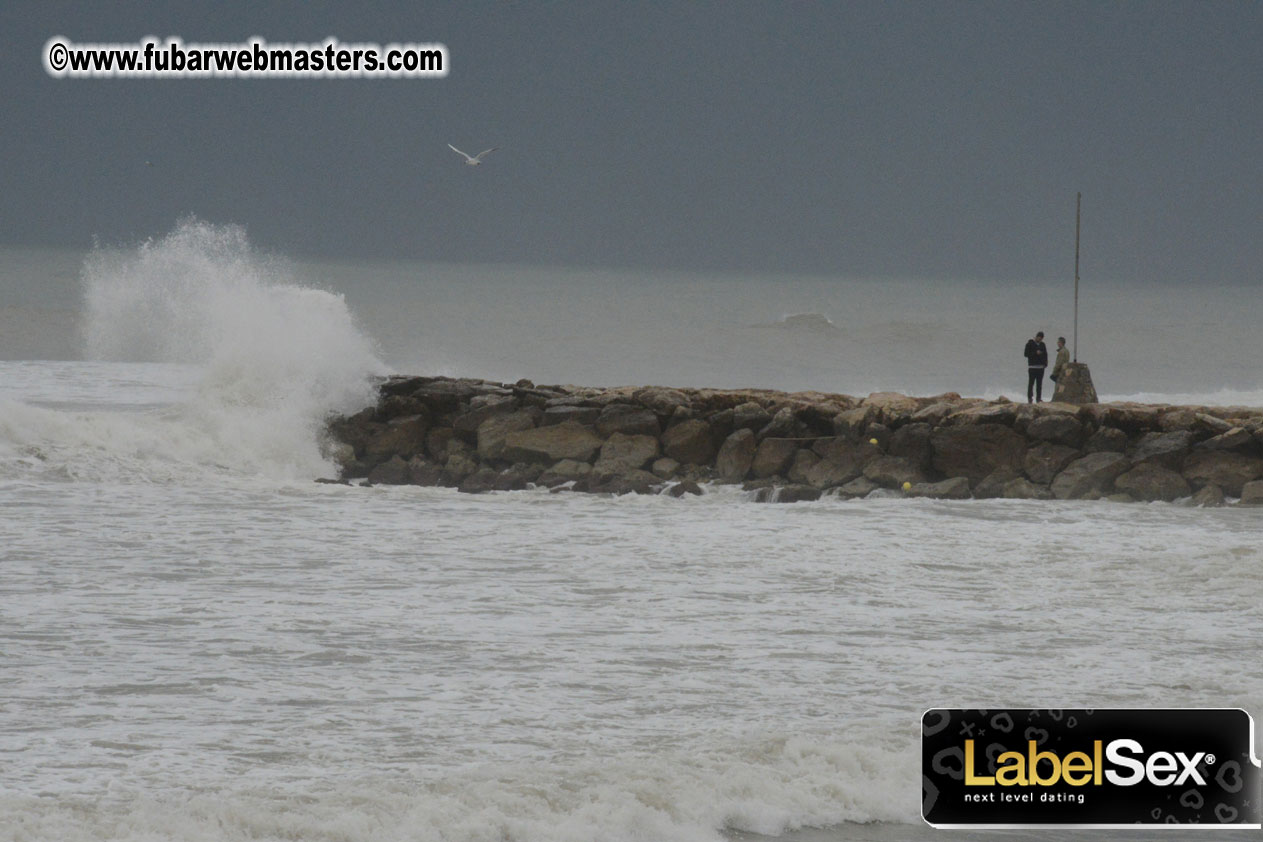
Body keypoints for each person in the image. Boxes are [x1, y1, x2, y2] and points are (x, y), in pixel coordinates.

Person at [1023, 331, 1048, 403]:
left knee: (1039, 384)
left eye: (1041, 339)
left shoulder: (1043, 345)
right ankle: (1030, 398)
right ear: (1036, 337)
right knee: (1031, 383)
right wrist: (1035, 353)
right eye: (1039, 338)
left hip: (1041, 367)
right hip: (1032, 367)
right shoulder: (1030, 343)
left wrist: (1045, 363)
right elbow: (1026, 354)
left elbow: (1045, 354)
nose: (1039, 340)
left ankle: (1038, 398)